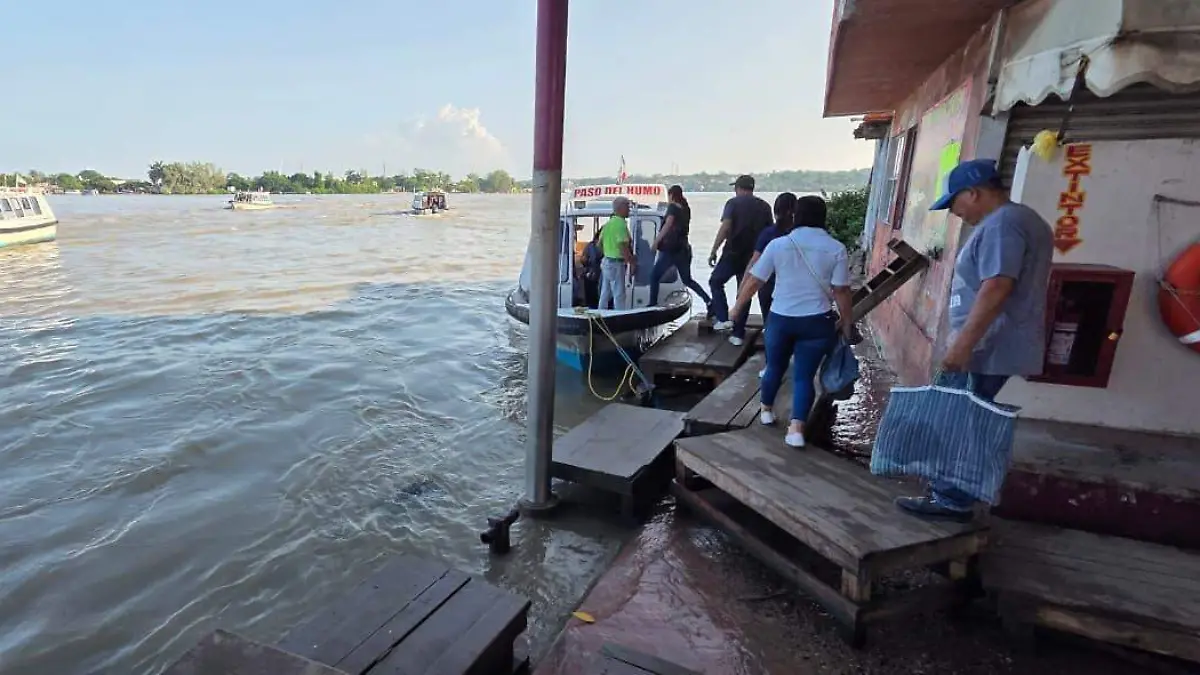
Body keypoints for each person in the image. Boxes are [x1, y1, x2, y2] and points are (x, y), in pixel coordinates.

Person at [894, 158, 1054, 521]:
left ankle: (951, 500)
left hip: (986, 346)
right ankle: (953, 495)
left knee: (960, 421)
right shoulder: (1020, 220)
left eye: (955, 203)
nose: (954, 212)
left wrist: (962, 346)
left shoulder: (1004, 225)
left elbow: (997, 285)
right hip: (991, 343)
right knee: (969, 418)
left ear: (974, 192)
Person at [730, 195, 853, 448]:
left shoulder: (778, 245)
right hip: (817, 322)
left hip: (781, 319)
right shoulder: (836, 248)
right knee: (804, 377)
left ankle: (765, 411)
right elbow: (841, 290)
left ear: (796, 216)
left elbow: (755, 280)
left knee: (775, 366)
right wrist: (847, 321)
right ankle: (796, 429)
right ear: (823, 217)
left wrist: (738, 307)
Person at [730, 192, 798, 348]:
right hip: (792, 287)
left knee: (771, 325)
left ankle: (772, 360)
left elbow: (754, 262)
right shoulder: (799, 234)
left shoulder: (769, 234)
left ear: (776, 211)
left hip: (768, 285)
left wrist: (742, 287)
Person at [708, 175, 773, 330]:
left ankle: (724, 319)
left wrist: (713, 250)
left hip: (732, 252)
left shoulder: (732, 203)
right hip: (755, 255)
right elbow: (770, 232)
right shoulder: (764, 206)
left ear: (737, 188)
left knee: (715, 282)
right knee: (743, 291)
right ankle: (738, 333)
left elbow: (726, 227)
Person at [649, 185, 712, 308]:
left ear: (672, 195)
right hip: (684, 249)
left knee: (654, 276)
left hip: (670, 250)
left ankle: (652, 304)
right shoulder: (686, 208)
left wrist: (656, 242)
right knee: (687, 280)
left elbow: (668, 225)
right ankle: (709, 302)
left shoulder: (672, 207)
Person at [598, 196, 636, 310]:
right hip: (616, 263)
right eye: (627, 207)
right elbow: (622, 246)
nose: (629, 209)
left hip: (606, 262)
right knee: (619, 294)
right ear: (621, 208)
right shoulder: (620, 224)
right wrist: (631, 262)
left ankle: (601, 315)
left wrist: (607, 252)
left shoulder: (608, 224)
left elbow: (599, 244)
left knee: (605, 293)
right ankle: (619, 317)